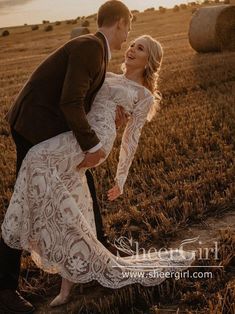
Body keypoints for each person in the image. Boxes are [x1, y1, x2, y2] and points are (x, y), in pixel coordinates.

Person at [1, 35, 195, 310]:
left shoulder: (143, 95)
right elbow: (79, 99)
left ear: (149, 61)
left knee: (36, 157)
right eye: (132, 45)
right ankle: (69, 280)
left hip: (96, 142)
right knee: (76, 203)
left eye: (140, 48)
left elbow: (131, 139)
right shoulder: (108, 75)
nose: (131, 49)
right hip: (80, 136)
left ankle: (21, 223)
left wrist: (120, 179)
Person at [0, 1, 132, 313]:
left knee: (83, 181)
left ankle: (98, 251)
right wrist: (92, 146)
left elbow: (85, 94)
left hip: (44, 126)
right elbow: (70, 101)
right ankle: (4, 289)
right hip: (34, 127)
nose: (128, 36)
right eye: (129, 28)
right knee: (24, 203)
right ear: (121, 23)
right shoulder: (90, 47)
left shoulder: (95, 51)